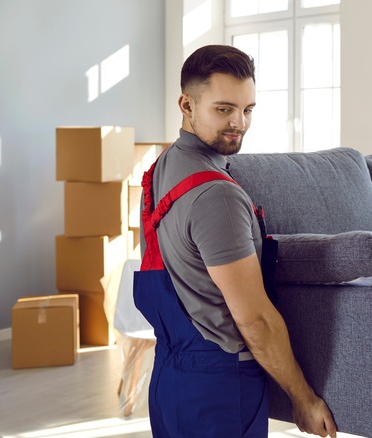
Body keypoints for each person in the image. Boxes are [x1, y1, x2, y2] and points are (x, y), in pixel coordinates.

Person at [136, 45, 337, 437]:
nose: (239, 123)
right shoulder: (218, 196)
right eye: (224, 109)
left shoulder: (161, 168)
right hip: (220, 385)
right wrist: (303, 397)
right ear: (187, 104)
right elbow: (255, 320)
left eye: (248, 110)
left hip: (169, 382)